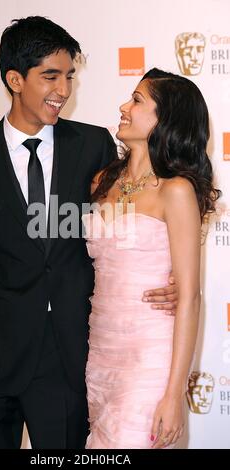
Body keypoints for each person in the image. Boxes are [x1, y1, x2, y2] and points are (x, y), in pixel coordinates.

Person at [0, 17, 177, 449]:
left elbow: (130, 227)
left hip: (68, 357)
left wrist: (172, 277)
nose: (63, 90)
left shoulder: (94, 146)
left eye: (69, 76)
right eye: (50, 76)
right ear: (15, 79)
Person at [82, 68, 220, 449]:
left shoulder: (176, 191)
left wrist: (174, 395)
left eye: (137, 100)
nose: (124, 107)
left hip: (149, 360)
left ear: (166, 119)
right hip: (100, 355)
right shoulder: (102, 182)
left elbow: (189, 296)